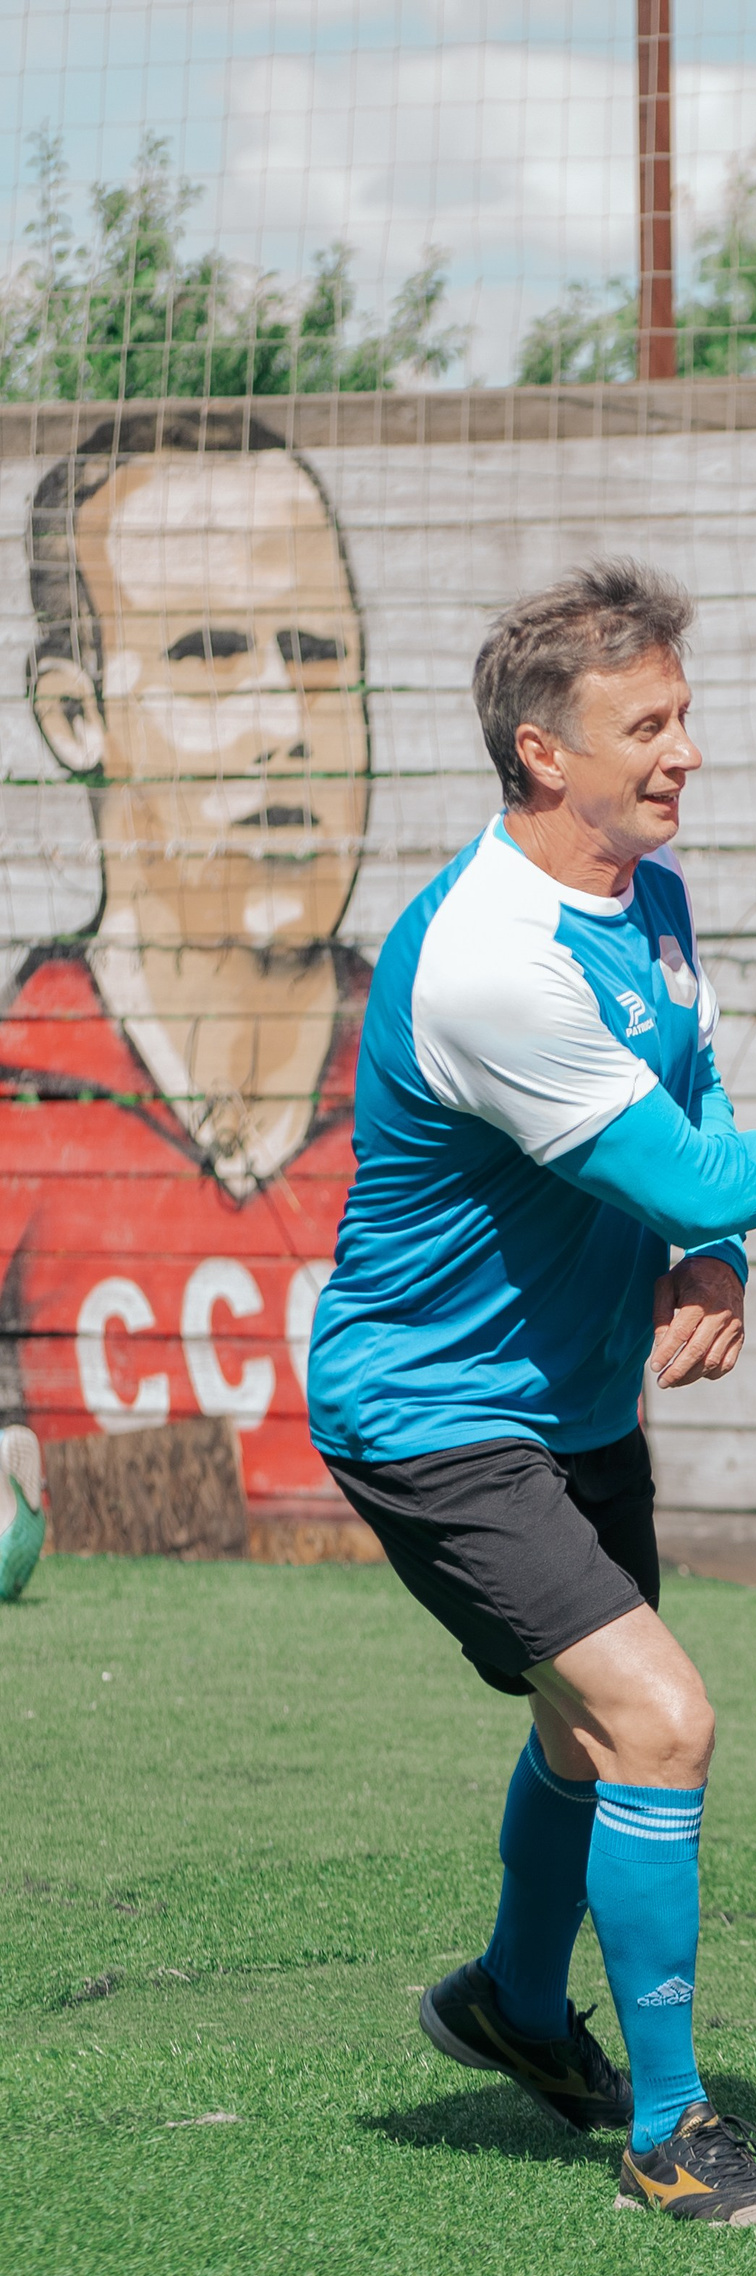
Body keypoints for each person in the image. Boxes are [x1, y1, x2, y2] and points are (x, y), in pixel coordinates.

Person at [304, 560, 756, 2224]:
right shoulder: (491, 958)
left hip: (569, 1408)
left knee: (589, 1735)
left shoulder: (642, 888)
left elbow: (691, 1087)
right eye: (646, 725)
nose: (684, 751)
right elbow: (683, 1165)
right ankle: (665, 2131)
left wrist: (712, 1254)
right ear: (537, 752)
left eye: (683, 715)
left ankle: (507, 1995)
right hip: (431, 1416)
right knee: (659, 1718)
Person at [2, 415, 373, 1540]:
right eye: (209, 656)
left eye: (316, 662)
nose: (284, 727)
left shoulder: (445, 1085)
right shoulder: (22, 1092)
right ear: (75, 715)